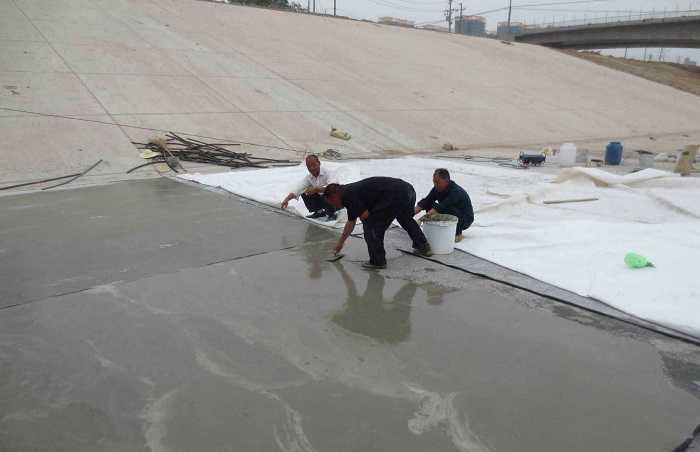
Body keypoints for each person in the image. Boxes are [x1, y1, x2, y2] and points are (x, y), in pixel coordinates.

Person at [323, 177, 433, 270]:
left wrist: (340, 243)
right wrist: (341, 242)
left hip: (395, 195)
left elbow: (362, 217)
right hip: (407, 189)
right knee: (405, 218)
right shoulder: (349, 190)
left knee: (371, 226)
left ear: (335, 197)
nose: (334, 206)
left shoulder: (347, 195)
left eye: (331, 203)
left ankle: (377, 261)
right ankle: (423, 246)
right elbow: (357, 217)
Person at [414, 168, 474, 243]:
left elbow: (441, 207)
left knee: (447, 209)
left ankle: (458, 234)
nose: (436, 185)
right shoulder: (436, 188)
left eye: (438, 182)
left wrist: (420, 219)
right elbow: (426, 201)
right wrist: (409, 214)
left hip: (464, 220)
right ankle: (434, 227)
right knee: (429, 204)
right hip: (447, 210)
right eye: (434, 182)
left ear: (447, 181)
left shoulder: (455, 191)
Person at [281, 155, 339, 221]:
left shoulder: (328, 173)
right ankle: (319, 212)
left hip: (336, 201)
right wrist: (287, 199)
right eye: (309, 166)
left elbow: (332, 188)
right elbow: (298, 189)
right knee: (305, 192)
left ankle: (332, 214)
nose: (312, 168)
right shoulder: (308, 178)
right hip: (323, 201)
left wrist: (316, 189)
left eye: (314, 165)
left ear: (319, 163)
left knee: (327, 193)